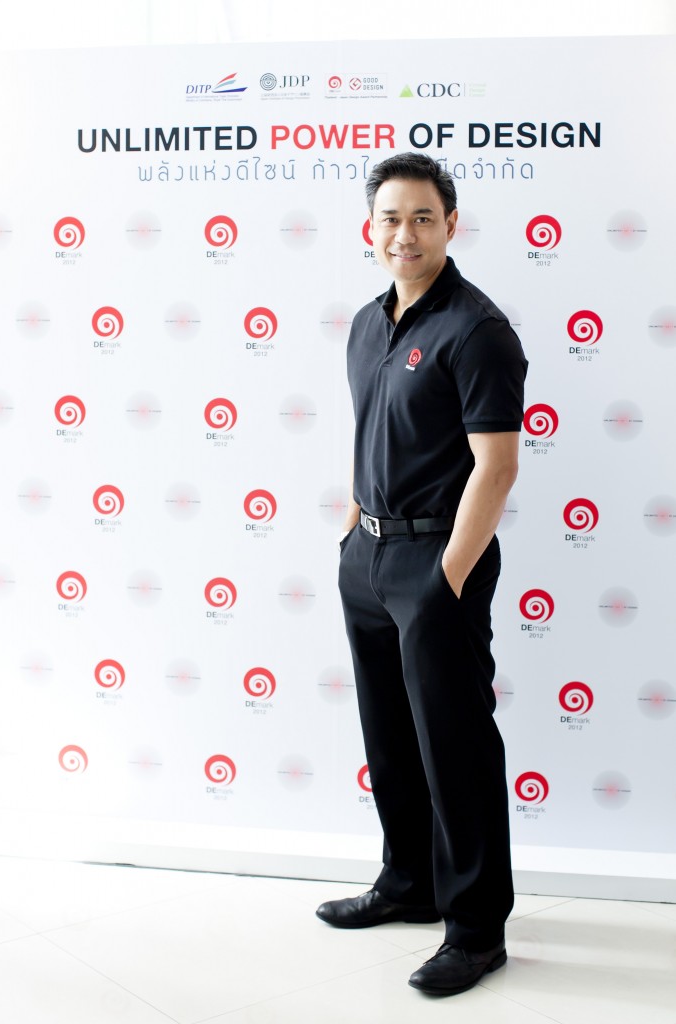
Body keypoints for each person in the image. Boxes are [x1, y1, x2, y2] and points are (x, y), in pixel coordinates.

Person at [315, 153, 527, 997]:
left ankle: (475, 931)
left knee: (456, 747)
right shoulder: (369, 323)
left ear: (451, 225)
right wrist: (351, 533)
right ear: (370, 228)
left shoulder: (477, 330)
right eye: (390, 218)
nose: (404, 234)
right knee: (391, 737)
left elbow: (496, 468)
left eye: (423, 218)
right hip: (368, 556)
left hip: (438, 561)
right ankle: (408, 882)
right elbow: (372, 433)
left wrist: (446, 578)